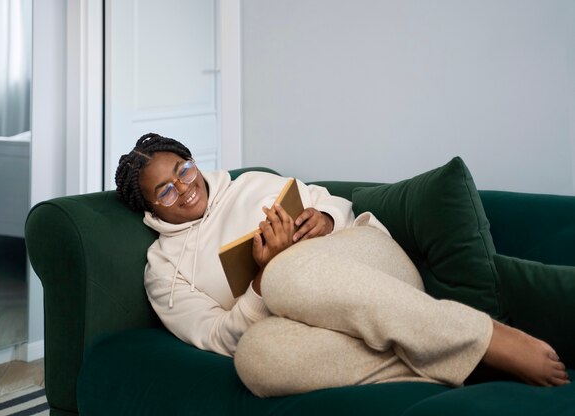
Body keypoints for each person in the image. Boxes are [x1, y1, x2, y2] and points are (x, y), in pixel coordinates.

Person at [115, 132, 570, 397]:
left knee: (287, 272)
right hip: (308, 322)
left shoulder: (249, 183)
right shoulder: (164, 272)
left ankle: (483, 335)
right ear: (150, 208)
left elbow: (338, 207)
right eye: (166, 191)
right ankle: (457, 363)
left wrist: (324, 221)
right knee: (256, 362)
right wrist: (257, 280)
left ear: (193, 163)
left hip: (370, 265)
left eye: (183, 170)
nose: (184, 187)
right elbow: (218, 338)